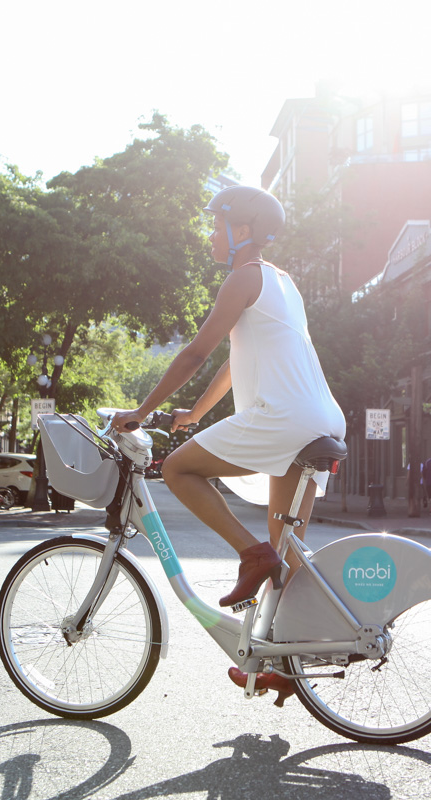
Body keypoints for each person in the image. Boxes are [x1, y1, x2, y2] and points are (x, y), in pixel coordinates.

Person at [111, 186, 345, 705]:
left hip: (284, 417)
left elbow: (196, 353)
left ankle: (250, 554)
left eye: (216, 226)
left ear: (242, 230)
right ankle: (287, 662)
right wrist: (195, 413)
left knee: (178, 470)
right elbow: (235, 358)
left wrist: (141, 412)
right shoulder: (282, 282)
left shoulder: (243, 278)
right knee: (288, 553)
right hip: (321, 417)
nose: (210, 235)